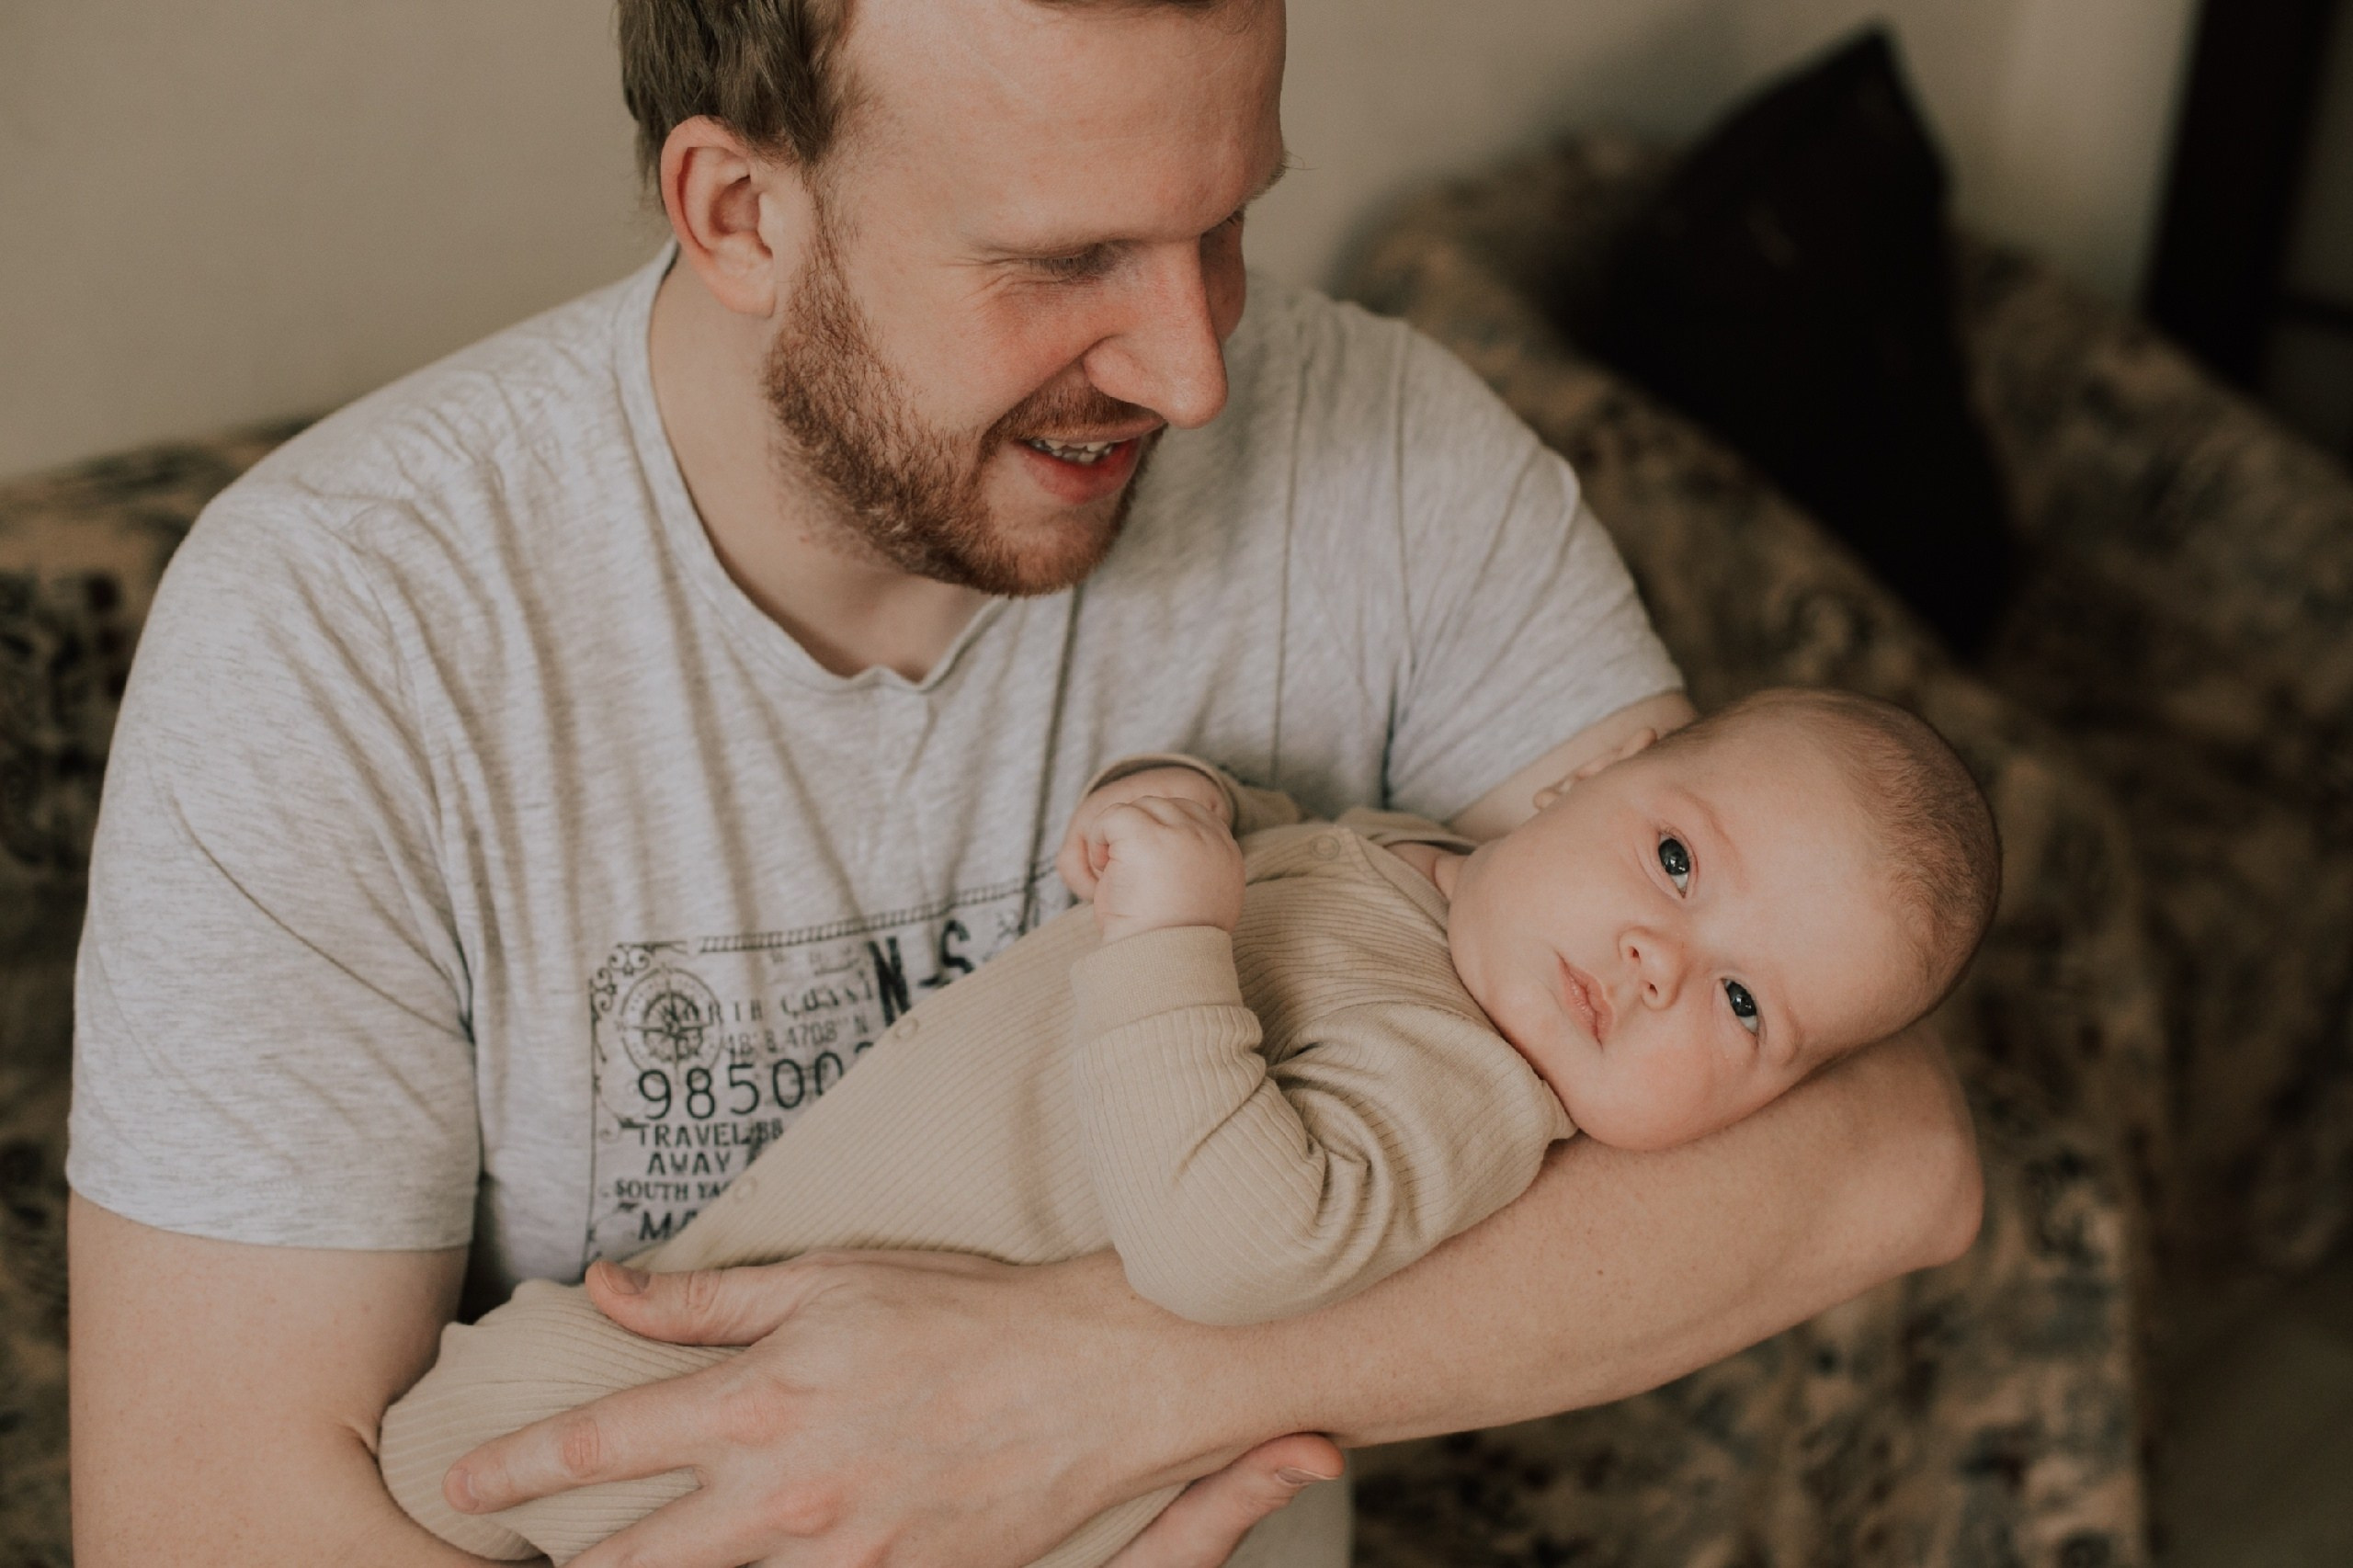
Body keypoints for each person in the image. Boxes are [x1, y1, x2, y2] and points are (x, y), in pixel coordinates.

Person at [65, 3, 1984, 1566]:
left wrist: (1094, 1388)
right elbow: (206, 1524)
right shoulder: (342, 627)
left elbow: (1878, 1151)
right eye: (1067, 257)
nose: (1192, 373)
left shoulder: (1394, 458)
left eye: (1223, 225)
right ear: (738, 211)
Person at [378, 687, 2002, 1567]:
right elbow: (1272, 852)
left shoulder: (1470, 1089)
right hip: (765, 1289)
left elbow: (1234, 1251)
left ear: (1760, 1105)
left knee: (484, 1459)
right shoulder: (1421, 873)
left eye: (1743, 1006)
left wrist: (1165, 929)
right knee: (445, 1450)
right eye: (1678, 863)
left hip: (955, 1477)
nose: (1661, 962)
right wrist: (1172, 802)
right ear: (1599, 771)